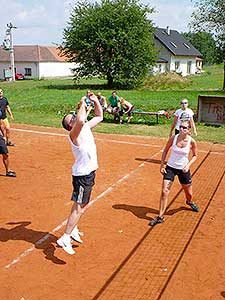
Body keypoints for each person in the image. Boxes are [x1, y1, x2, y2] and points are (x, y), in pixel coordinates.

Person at [57, 93, 103, 255]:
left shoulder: (84, 128)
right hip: (83, 176)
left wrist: (96, 101)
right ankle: (65, 237)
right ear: (70, 125)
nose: (74, 118)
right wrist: (83, 103)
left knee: (81, 205)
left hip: (88, 173)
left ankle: (73, 228)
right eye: (71, 118)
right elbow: (82, 119)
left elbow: (99, 116)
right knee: (79, 206)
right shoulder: (73, 135)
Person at [150, 120, 199, 226]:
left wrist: (188, 166)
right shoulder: (174, 138)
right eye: (180, 127)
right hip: (170, 168)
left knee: (189, 193)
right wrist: (162, 164)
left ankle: (189, 202)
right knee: (164, 192)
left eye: (184, 127)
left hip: (183, 169)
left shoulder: (192, 142)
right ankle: (160, 216)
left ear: (189, 130)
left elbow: (195, 155)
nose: (181, 129)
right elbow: (165, 150)